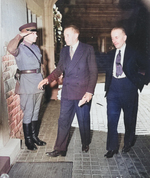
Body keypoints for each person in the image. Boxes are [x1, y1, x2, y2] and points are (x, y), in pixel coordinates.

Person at [38, 25, 98, 157]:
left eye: (67, 35)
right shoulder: (65, 51)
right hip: (67, 91)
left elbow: (93, 72)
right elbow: (59, 69)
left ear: (76, 35)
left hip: (82, 93)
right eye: (64, 35)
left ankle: (85, 142)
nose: (65, 38)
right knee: (63, 120)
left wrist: (89, 92)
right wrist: (48, 79)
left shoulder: (87, 49)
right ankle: (60, 149)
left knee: (83, 120)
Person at [103, 27, 145, 158]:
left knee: (129, 119)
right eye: (112, 38)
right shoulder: (110, 54)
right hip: (113, 91)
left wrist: (140, 82)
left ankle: (128, 143)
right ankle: (112, 148)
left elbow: (146, 66)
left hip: (129, 89)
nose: (114, 40)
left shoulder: (134, 53)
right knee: (111, 119)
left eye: (117, 37)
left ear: (124, 37)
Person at [7, 22, 46, 150]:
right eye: (33, 33)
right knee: (28, 112)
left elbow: (40, 65)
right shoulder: (20, 48)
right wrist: (19, 36)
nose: (36, 36)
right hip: (27, 83)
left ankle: (34, 137)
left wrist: (44, 79)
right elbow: (10, 49)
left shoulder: (36, 48)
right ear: (26, 35)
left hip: (38, 82)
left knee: (35, 112)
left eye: (35, 33)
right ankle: (28, 140)